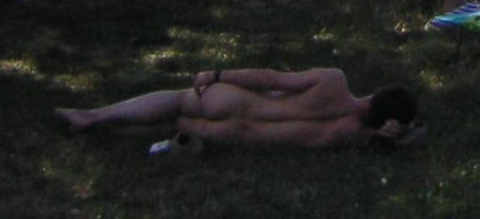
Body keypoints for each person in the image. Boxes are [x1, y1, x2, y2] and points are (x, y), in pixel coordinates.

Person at [57, 68, 419, 150]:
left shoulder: (334, 82)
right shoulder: (348, 135)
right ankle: (95, 127)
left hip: (239, 100)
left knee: (178, 101)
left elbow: (272, 78)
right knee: (172, 124)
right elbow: (395, 141)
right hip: (238, 134)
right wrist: (392, 135)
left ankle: (95, 117)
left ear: (375, 93)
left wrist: (218, 74)